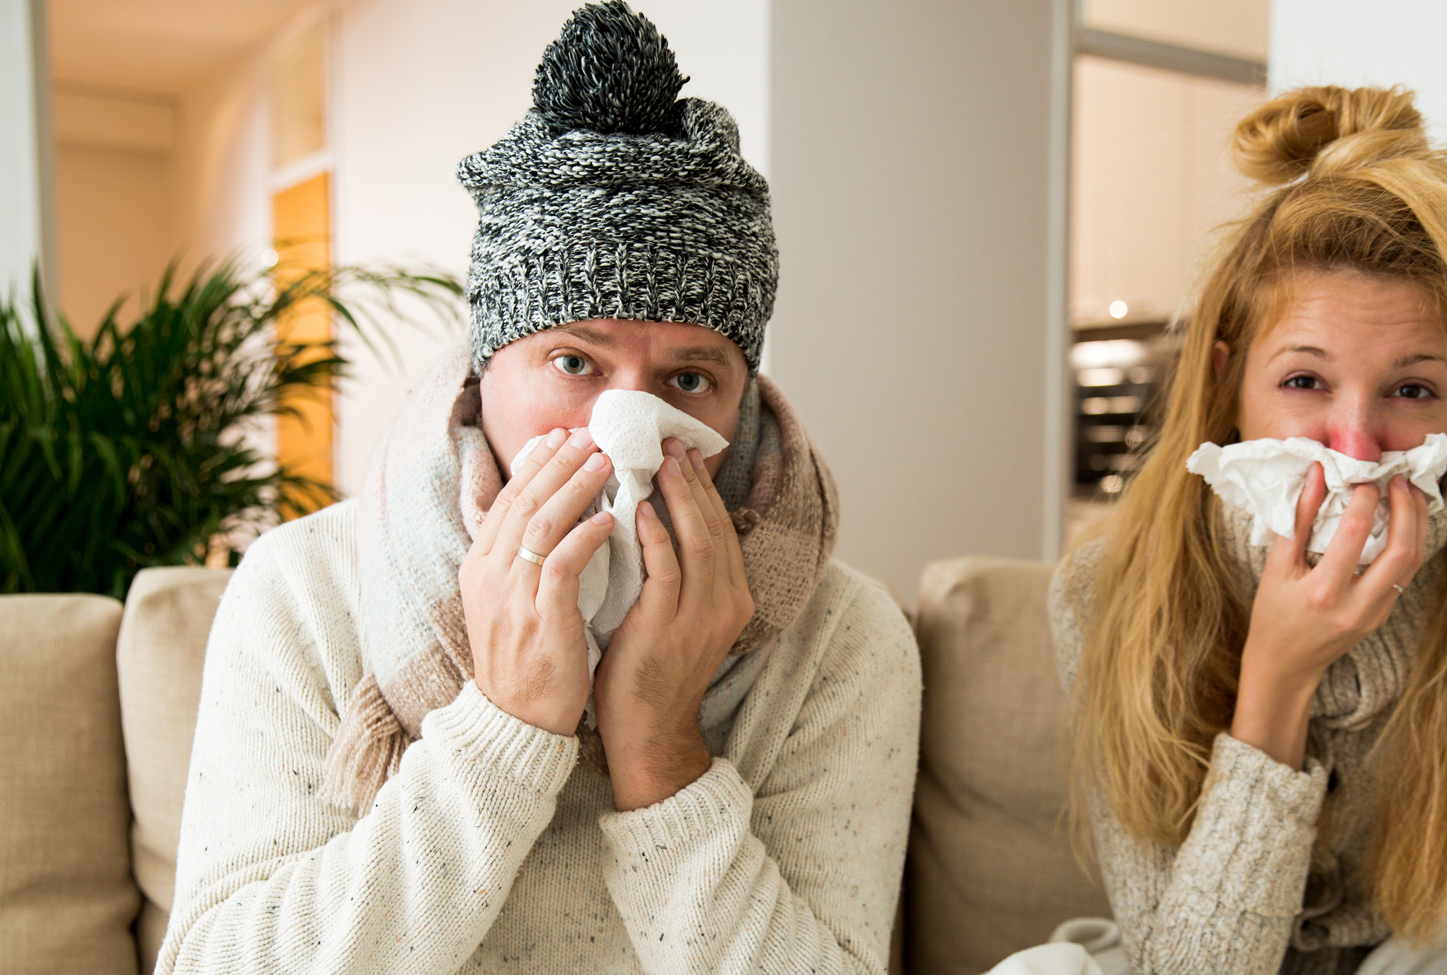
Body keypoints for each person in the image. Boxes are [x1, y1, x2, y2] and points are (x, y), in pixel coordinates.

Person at [157, 4, 920, 973]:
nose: (627, 430)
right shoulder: (306, 589)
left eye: (688, 379)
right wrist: (503, 730)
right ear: (486, 371)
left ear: (743, 401)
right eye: (573, 361)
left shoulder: (841, 640)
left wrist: (662, 755)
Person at [1052, 86, 1447, 975]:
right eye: (1306, 382)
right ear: (1228, 382)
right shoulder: (1107, 589)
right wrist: (1278, 679)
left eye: (1412, 390)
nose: (1353, 446)